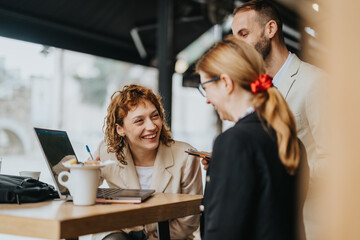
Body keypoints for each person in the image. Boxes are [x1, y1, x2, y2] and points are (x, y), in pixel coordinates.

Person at [230, 1, 327, 239]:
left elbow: (336, 162)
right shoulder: (254, 91)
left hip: (310, 226)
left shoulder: (317, 83)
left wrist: (277, 175)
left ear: (270, 29)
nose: (237, 46)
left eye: (244, 34)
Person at [196, 35, 307, 240]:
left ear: (225, 82)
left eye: (206, 88)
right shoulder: (292, 141)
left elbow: (223, 232)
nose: (207, 100)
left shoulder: (234, 142)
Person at [92, 84, 203, 240]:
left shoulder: (186, 157)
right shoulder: (107, 152)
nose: (151, 126)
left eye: (155, 116)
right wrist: (87, 173)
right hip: (121, 233)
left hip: (169, 236)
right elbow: (83, 189)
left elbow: (190, 218)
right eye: (139, 121)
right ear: (120, 129)